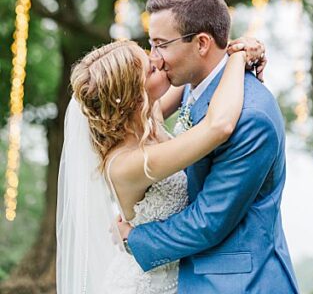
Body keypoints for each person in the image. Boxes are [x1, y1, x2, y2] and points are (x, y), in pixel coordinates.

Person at [56, 22, 269, 290]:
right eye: (151, 68)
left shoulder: (148, 118)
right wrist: (239, 57)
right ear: (133, 97)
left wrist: (241, 45)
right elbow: (219, 126)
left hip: (180, 275)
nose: (159, 60)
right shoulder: (128, 164)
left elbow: (197, 68)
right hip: (148, 284)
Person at [116, 0, 298, 292]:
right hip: (191, 272)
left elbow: (209, 221)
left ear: (201, 44)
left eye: (161, 44)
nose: (155, 58)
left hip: (238, 283)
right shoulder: (193, 83)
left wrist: (134, 239)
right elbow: (148, 110)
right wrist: (243, 52)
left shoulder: (251, 117)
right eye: (152, 44)